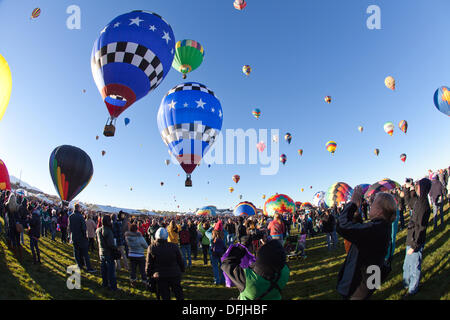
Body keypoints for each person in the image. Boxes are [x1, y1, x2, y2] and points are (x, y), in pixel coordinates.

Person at [336, 186, 397, 300]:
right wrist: (357, 218)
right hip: (369, 282)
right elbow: (363, 235)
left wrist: (353, 203)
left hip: (357, 288)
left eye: (373, 204)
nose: (369, 206)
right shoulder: (383, 227)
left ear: (379, 211)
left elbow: (341, 226)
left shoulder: (375, 229)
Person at [221, 239, 290, 300]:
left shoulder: (247, 278)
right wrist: (268, 247)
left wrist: (242, 246)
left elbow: (226, 264)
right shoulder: (285, 271)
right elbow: (275, 258)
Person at [402, 178, 432, 297]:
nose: (417, 188)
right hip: (411, 238)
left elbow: (421, 228)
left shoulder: (424, 205)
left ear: (423, 188)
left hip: (415, 241)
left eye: (418, 186)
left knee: (414, 267)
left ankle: (412, 290)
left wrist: (414, 246)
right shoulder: (419, 201)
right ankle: (406, 284)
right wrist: (407, 188)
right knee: (406, 265)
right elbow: (408, 202)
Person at [145, 228, 185, 300]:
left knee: (165, 295)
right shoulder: (173, 246)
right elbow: (180, 260)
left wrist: (148, 274)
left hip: (161, 275)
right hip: (173, 274)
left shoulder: (152, 247)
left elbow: (149, 263)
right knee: (178, 294)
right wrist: (182, 269)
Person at [68, 204, 95, 273]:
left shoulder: (71, 216)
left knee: (76, 252)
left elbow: (70, 227)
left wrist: (70, 235)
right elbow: (83, 228)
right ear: (78, 208)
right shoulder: (80, 217)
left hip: (74, 236)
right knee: (85, 253)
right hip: (81, 237)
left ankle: (79, 265)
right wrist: (85, 236)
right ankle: (88, 267)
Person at [97, 214, 118, 291]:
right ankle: (113, 287)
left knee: (104, 270)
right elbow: (111, 244)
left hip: (101, 252)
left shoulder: (98, 230)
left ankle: (105, 283)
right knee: (111, 271)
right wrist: (116, 248)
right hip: (108, 252)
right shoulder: (108, 231)